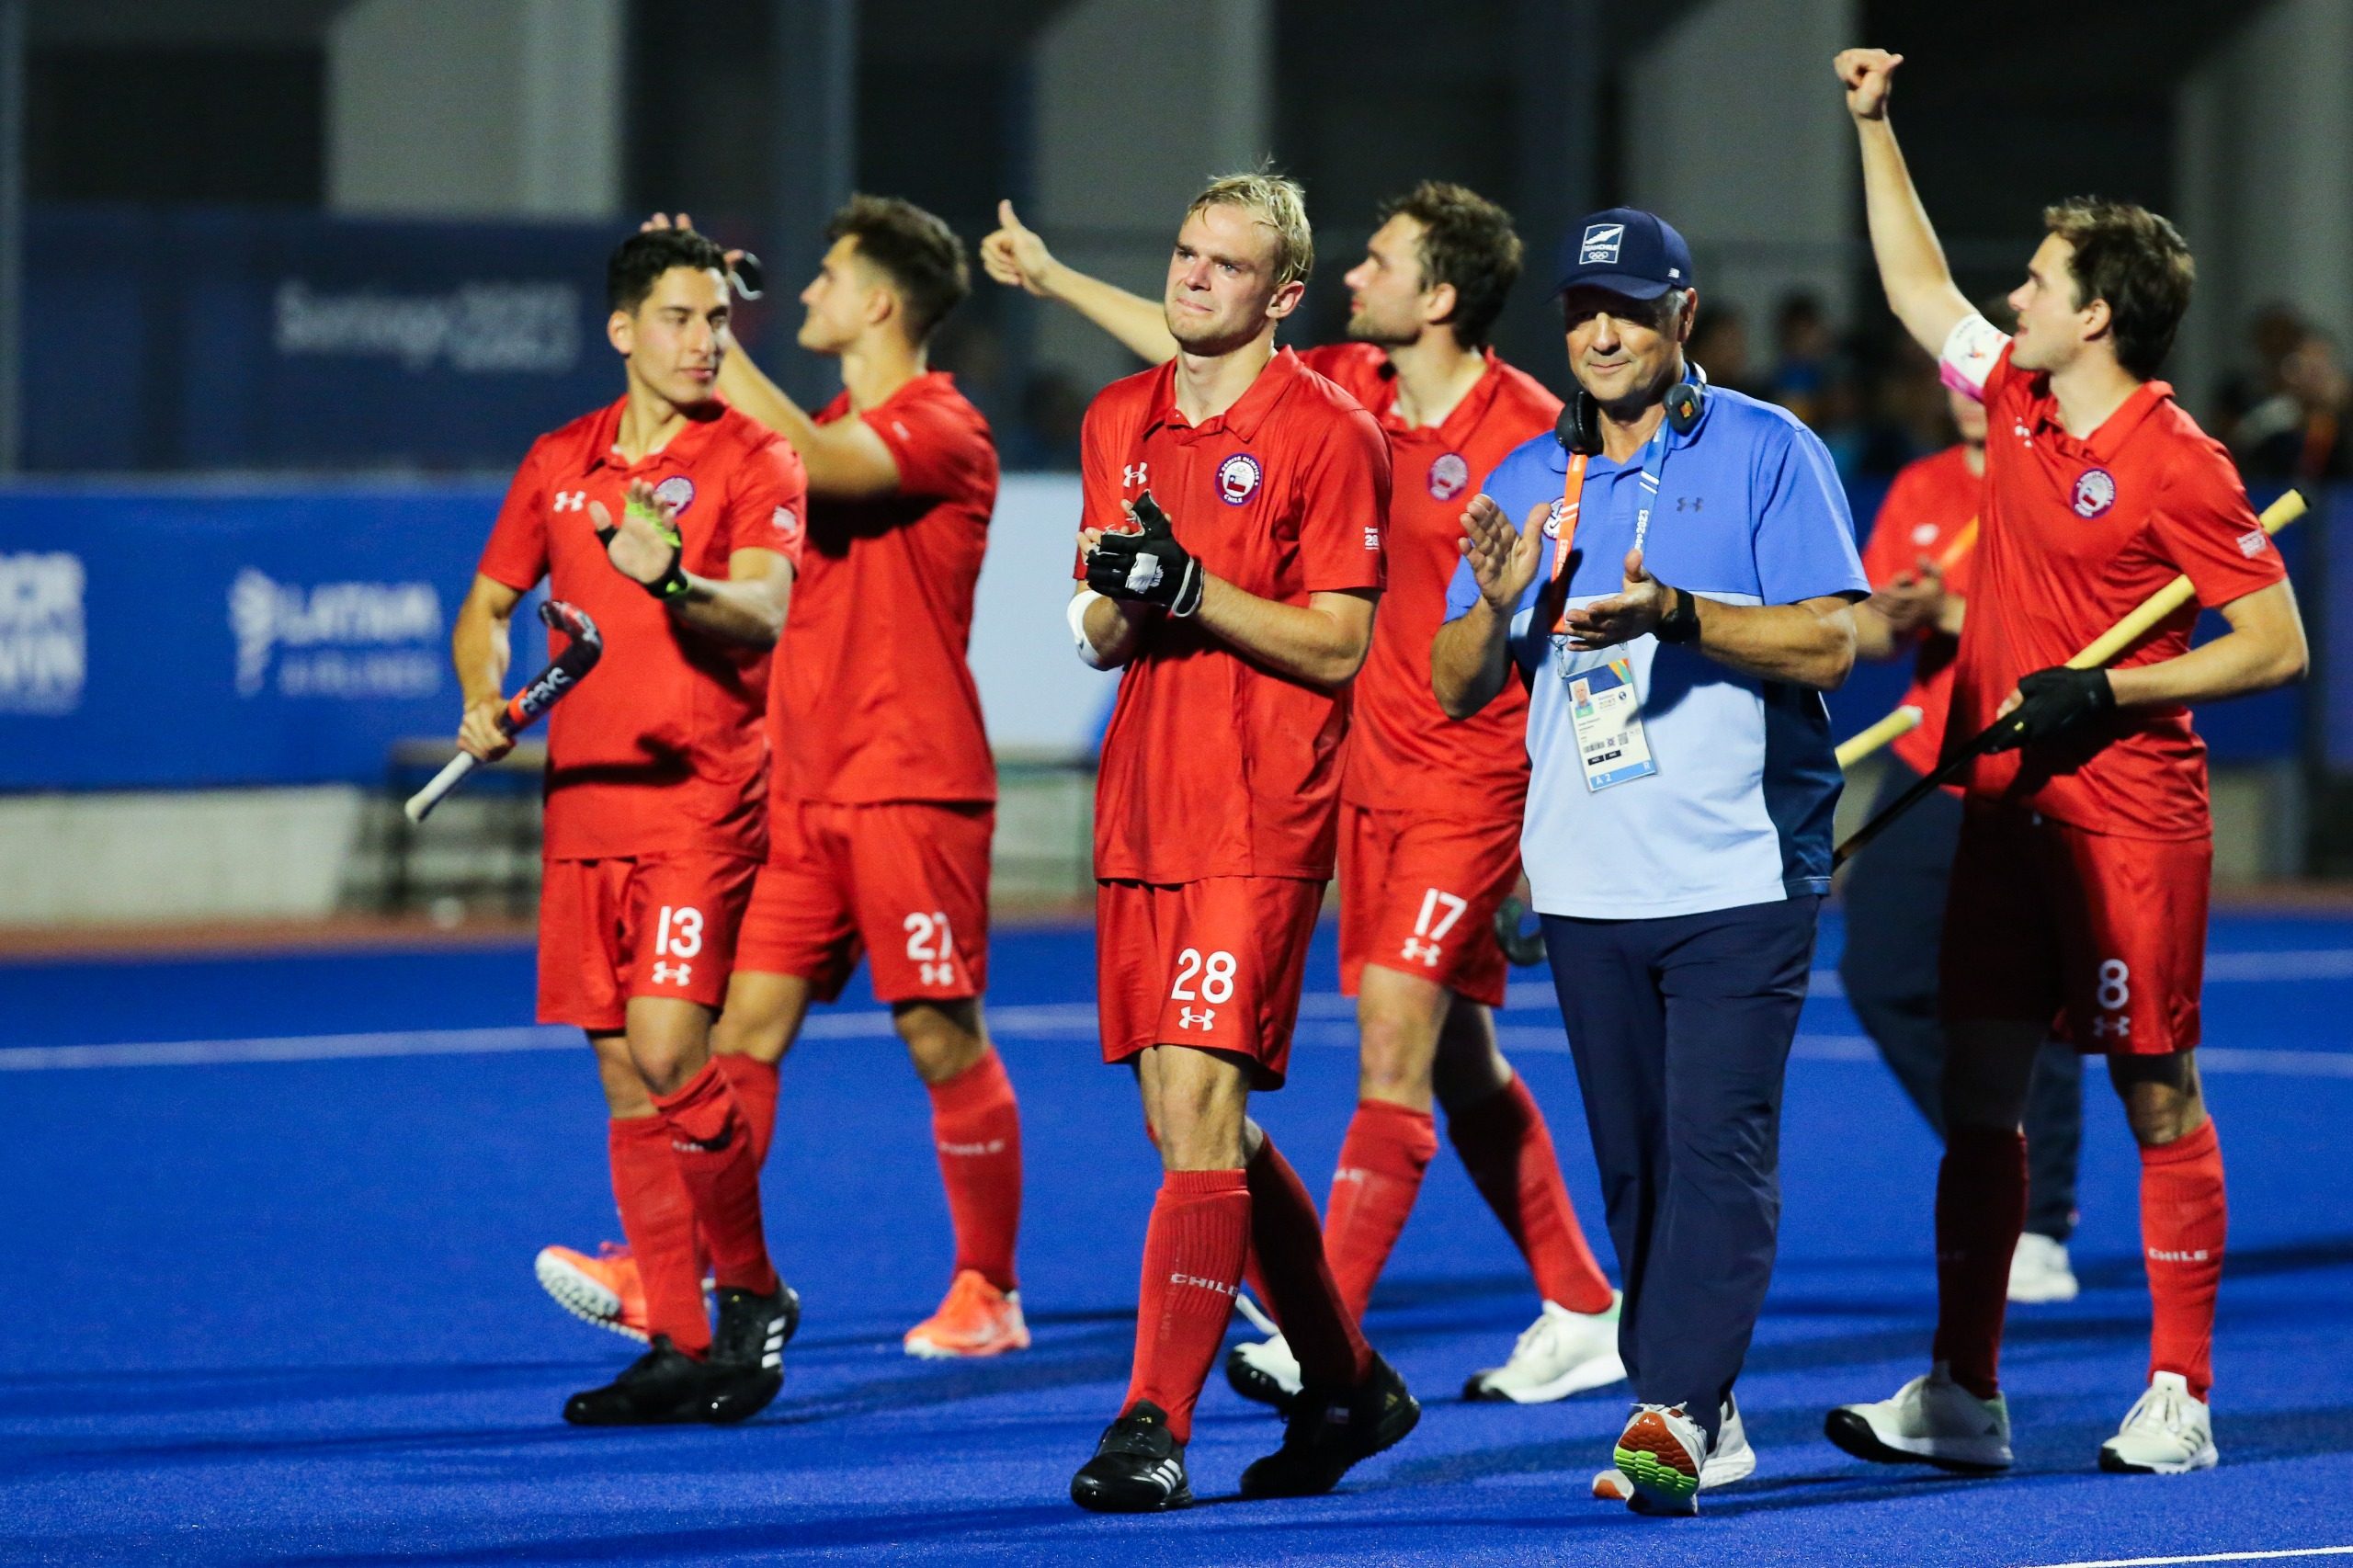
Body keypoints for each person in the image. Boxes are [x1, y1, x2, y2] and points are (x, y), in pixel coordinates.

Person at [987, 184, 1624, 1408]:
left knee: (1392, 1041)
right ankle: (1583, 1299)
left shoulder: (1536, 433)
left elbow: (1566, 634)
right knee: (1460, 1059)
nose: (1352, 278)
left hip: (1474, 775)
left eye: (1378, 262)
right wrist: (1058, 280)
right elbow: (1194, 350)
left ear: (1438, 295)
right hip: (1356, 772)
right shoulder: (1349, 390)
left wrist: (1555, 824)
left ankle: (1318, 1335)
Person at [1824, 47, 2308, 1477]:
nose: (2012, 299)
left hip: (2128, 819)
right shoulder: (2019, 409)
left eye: (2037, 282)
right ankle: (1963, 1390)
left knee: (2156, 1087)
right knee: (1982, 1092)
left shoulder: (2182, 461)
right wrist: (1876, 124)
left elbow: (2274, 644)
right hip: (2001, 809)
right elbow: (1920, 293)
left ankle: (2180, 1393)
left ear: (2097, 314)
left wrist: (2109, 684)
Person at [533, 198, 1029, 1359]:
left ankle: (988, 1288)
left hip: (910, 778)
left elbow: (813, 460)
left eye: (824, 278)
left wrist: (714, 322)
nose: (802, 294)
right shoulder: (804, 428)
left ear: (879, 304)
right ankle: (679, 1272)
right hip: (799, 788)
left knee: (938, 1034)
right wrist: (690, 305)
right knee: (737, 1032)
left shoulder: (939, 423)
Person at [1432, 207, 1870, 1514]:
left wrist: (1676, 613)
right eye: (1582, 310)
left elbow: (1832, 644)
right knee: (1635, 1159)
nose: (1603, 332)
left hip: (1740, 867)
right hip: (1585, 878)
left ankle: (1671, 1408)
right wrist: (1494, 594)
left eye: (1628, 307)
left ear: (1684, 317)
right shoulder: (1521, 477)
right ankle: (1704, 1402)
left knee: (1718, 1146)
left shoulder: (1766, 451)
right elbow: (1454, 683)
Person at [1062, 170, 1416, 1513]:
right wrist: (1126, 594)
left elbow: (1337, 642)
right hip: (1143, 800)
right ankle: (1347, 1377)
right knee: (1187, 1123)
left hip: (1260, 809)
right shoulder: (1118, 419)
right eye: (1183, 251)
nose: (1192, 276)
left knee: (1203, 1107)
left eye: (1225, 264)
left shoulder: (1330, 433)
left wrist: (1195, 587)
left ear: (1284, 296)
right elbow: (1097, 629)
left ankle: (1154, 1419)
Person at [452, 227, 805, 1424]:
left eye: (717, 319)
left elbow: (761, 612)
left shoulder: (758, 457)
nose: (706, 339)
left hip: (700, 798)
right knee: (619, 1072)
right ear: (622, 330)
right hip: (584, 803)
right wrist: (478, 697)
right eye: (679, 317)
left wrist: (669, 581)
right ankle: (679, 1331)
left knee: (668, 1050)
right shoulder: (560, 458)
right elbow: (489, 603)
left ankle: (752, 1298)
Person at [1841, 365, 2087, 1306]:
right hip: (1931, 758)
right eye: (1946, 372)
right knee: (1878, 971)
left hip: (2030, 764)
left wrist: (1951, 609)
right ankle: (1995, 1156)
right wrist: (1887, 613)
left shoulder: (2064, 479)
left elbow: (2068, 628)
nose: (1957, 388)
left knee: (2034, 998)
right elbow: (1867, 632)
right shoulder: (1924, 482)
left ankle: (2039, 1218)